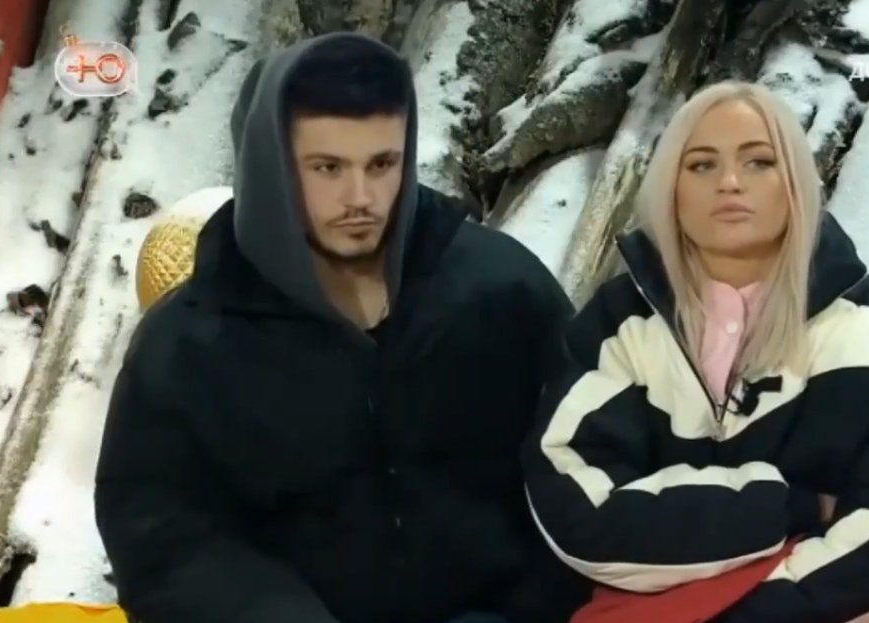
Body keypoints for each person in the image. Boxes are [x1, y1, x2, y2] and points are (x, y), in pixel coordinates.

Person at [94, 33, 586, 623]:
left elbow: (592, 459)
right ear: (272, 169)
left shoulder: (501, 290)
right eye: (328, 168)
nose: (361, 198)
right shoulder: (186, 345)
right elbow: (162, 536)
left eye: (382, 164)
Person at [522, 80, 869, 623]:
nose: (729, 182)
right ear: (671, 188)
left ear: (795, 180)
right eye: (702, 165)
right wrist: (792, 507)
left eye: (759, 162)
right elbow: (576, 511)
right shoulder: (616, 325)